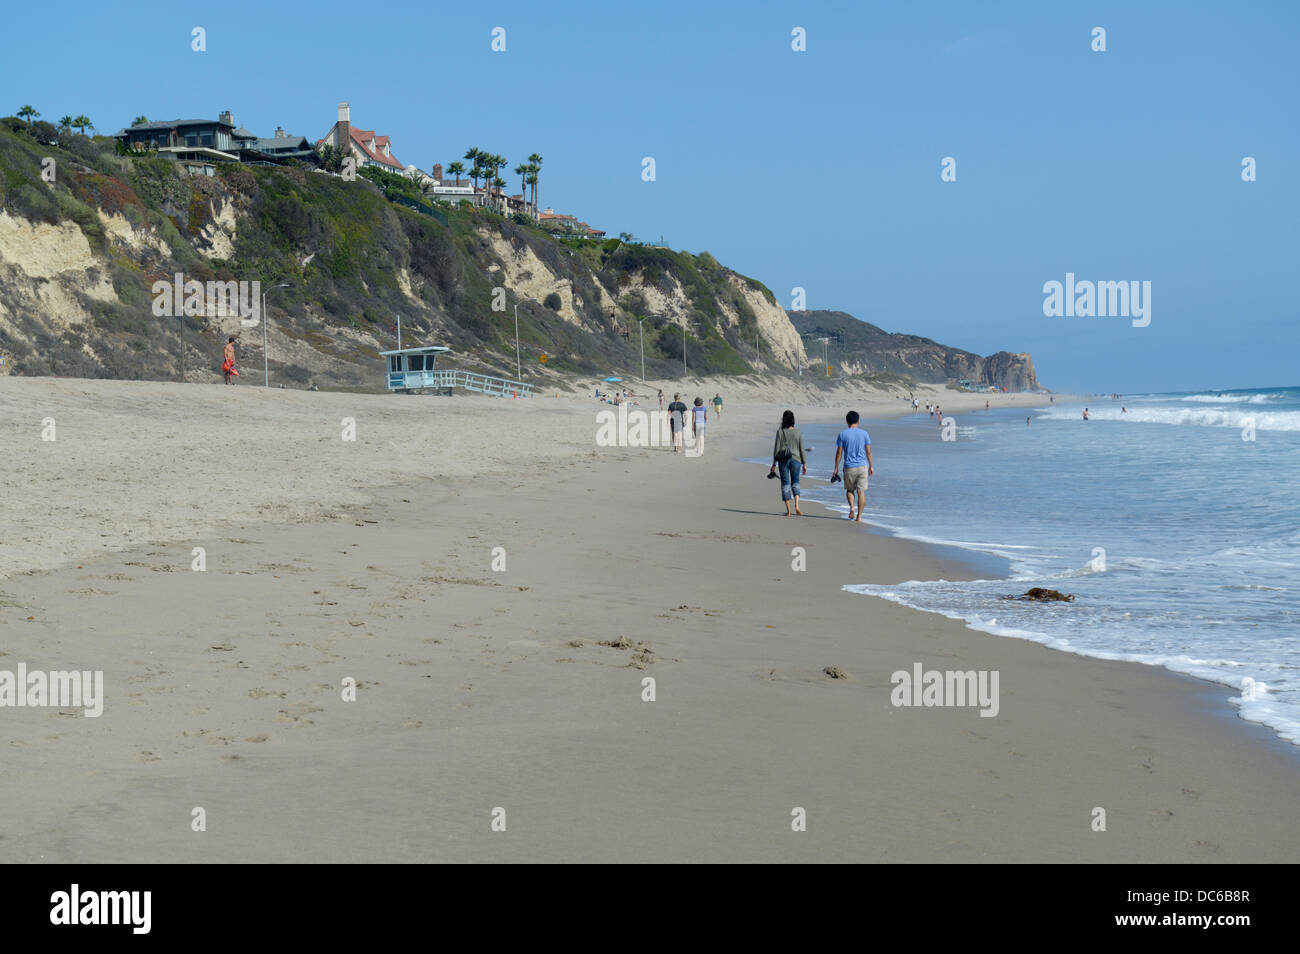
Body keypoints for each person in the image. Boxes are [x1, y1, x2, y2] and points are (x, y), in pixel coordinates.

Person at [832, 410, 873, 522]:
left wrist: (836, 467)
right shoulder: (864, 434)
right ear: (858, 421)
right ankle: (859, 517)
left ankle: (851, 508)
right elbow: (868, 451)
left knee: (850, 490)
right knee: (861, 492)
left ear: (847, 421)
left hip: (849, 467)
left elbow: (839, 453)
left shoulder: (842, 434)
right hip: (862, 466)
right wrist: (871, 466)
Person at [768, 410, 807, 516]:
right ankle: (797, 505)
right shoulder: (798, 432)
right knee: (795, 482)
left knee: (785, 483)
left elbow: (776, 449)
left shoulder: (780, 432)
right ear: (793, 420)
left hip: (783, 460)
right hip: (796, 460)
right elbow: (801, 449)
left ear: (783, 419)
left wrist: (773, 464)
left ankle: (789, 511)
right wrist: (804, 464)